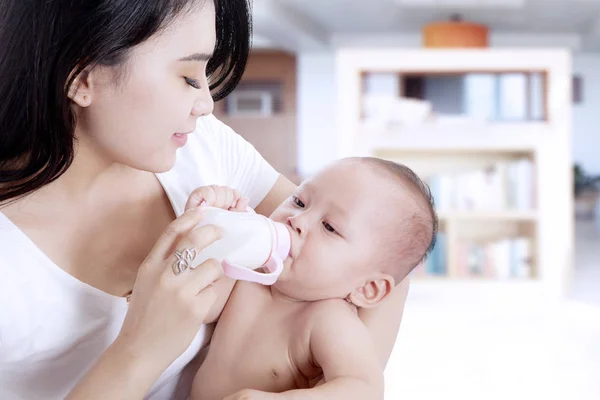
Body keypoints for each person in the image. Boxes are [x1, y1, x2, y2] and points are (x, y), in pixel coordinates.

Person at [0, 1, 410, 399]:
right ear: (82, 77)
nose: (207, 104)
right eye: (187, 78)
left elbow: (382, 249)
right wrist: (139, 349)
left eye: (206, 73)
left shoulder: (198, 145)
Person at [190, 158, 438, 400]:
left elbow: (364, 388)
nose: (298, 220)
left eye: (329, 227)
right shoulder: (252, 272)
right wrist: (218, 224)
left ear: (367, 288)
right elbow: (199, 306)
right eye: (299, 201)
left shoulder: (328, 320)